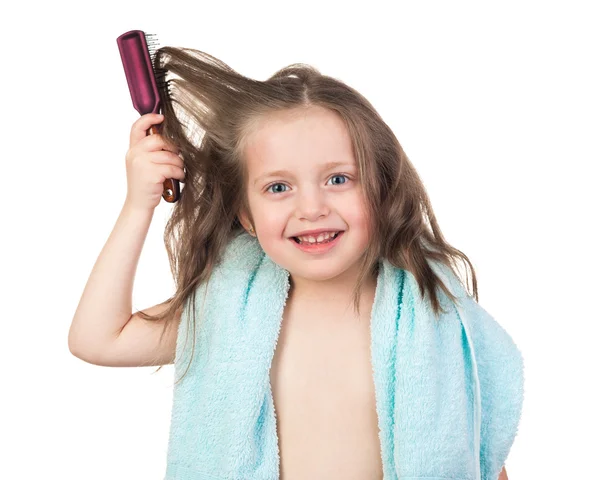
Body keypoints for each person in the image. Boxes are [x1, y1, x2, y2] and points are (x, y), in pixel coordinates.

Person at [68, 47, 519, 480]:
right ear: (246, 214)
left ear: (381, 189)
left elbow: (481, 452)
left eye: (338, 179)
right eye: (278, 188)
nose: (312, 207)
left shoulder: (434, 319)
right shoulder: (227, 313)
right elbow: (99, 339)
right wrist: (137, 206)